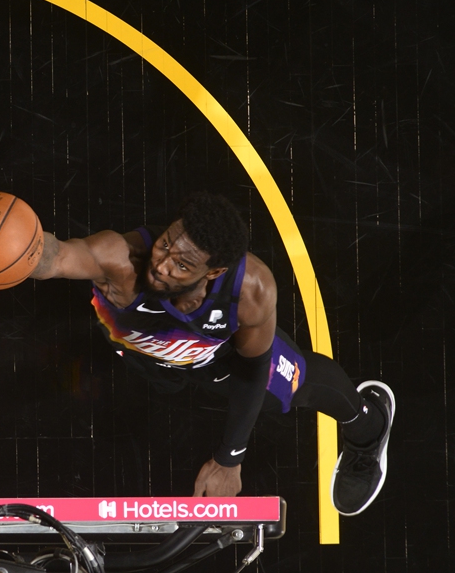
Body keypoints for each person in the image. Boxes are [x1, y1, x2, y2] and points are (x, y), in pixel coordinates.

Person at [28, 191, 395, 515]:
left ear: (214, 270)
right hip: (142, 349)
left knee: (294, 384)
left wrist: (229, 459)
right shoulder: (119, 258)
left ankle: (368, 425)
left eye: (182, 265)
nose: (162, 262)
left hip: (216, 356)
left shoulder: (251, 289)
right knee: (166, 385)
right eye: (166, 243)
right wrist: (15, 249)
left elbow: (254, 369)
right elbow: (57, 256)